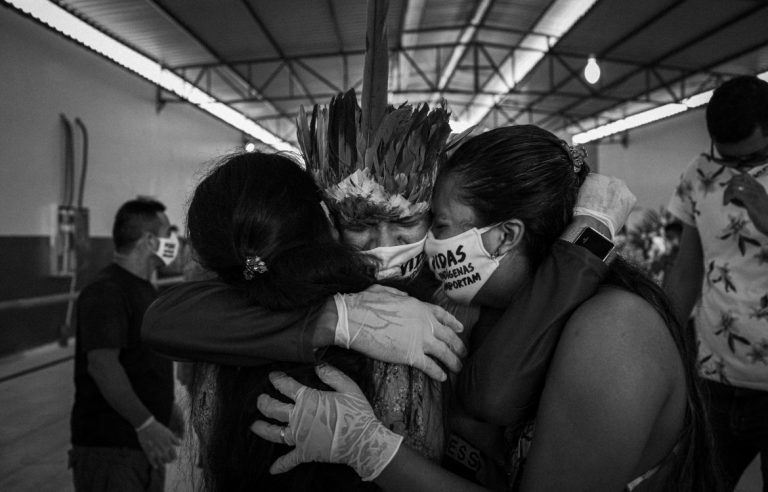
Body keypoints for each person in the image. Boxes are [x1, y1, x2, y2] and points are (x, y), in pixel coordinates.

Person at [252, 125, 721, 491]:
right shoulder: (488, 301)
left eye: (438, 224)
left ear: (502, 237)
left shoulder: (615, 333)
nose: (425, 244)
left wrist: (372, 451)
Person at [182, 150, 459, 490]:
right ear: (328, 218)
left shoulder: (212, 337)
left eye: (407, 222)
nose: (385, 245)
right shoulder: (407, 330)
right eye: (359, 223)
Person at [663, 74, 768, 491]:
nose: (737, 170)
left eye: (751, 158)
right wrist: (663, 343)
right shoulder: (700, 173)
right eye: (727, 159)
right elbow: (685, 269)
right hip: (714, 377)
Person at [69, 198, 183, 492]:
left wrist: (166, 408)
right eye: (168, 233)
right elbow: (103, 365)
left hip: (142, 445)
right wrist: (145, 423)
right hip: (112, 450)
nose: (174, 241)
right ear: (148, 240)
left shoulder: (145, 289)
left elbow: (141, 361)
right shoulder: (107, 291)